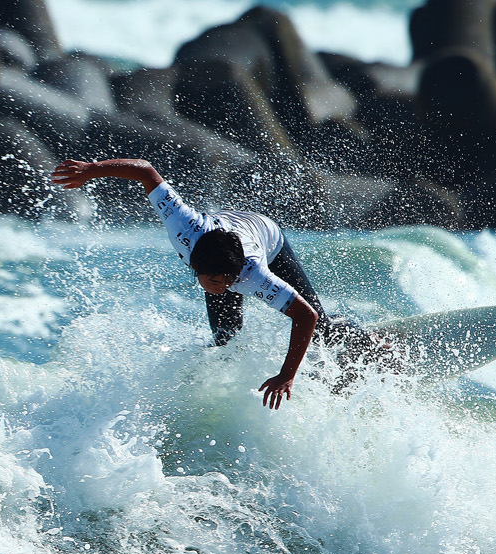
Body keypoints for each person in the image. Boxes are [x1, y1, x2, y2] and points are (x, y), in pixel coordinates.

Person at [50, 157, 374, 410]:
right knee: (225, 341)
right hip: (222, 236)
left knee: (320, 327)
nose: (222, 287)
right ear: (195, 266)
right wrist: (92, 170)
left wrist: (286, 376)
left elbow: (305, 316)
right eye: (214, 281)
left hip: (267, 238)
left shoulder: (253, 274)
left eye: (228, 281)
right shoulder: (183, 223)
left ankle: (368, 342)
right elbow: (146, 171)